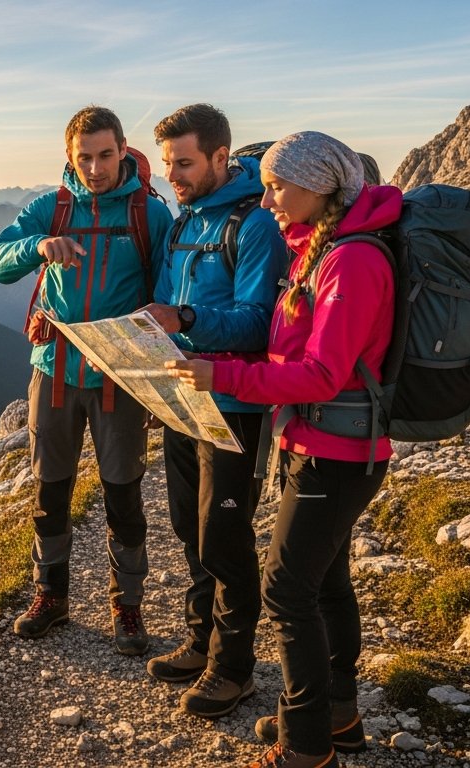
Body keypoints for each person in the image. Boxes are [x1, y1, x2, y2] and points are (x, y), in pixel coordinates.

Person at [167, 130, 401, 768]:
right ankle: (337, 716)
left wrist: (224, 375)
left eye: (276, 186)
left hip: (337, 451)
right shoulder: (320, 248)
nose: (266, 199)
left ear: (319, 186)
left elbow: (323, 374)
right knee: (325, 584)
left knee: (287, 589)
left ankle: (305, 746)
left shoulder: (352, 261)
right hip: (321, 442)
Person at [0, 106, 173, 653]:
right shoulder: (52, 208)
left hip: (120, 376)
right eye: (84, 157)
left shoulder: (148, 214)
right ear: (69, 157)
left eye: (105, 155)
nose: (95, 168)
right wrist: (38, 246)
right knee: (50, 491)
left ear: (123, 151)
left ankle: (127, 606)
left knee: (123, 493)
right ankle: (51, 596)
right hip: (55, 371)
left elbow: (167, 291)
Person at [138, 104, 287, 719]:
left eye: (184, 163)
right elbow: (165, 304)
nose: (172, 175)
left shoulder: (255, 224)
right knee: (188, 526)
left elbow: (258, 323)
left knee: (224, 535)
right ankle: (201, 643)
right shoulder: (184, 221)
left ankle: (233, 668)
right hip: (181, 398)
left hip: (231, 403)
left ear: (221, 157)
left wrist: (187, 319)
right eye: (168, 163)